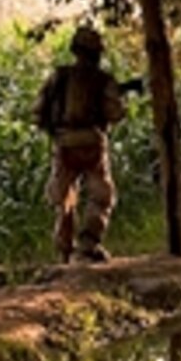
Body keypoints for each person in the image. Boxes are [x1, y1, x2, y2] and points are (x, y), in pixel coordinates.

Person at [34, 26, 126, 263]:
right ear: (97, 53)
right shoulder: (102, 79)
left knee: (64, 199)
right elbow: (115, 114)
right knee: (102, 196)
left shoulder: (59, 77)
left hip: (64, 144)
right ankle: (87, 245)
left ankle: (65, 249)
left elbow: (38, 112)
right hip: (92, 143)